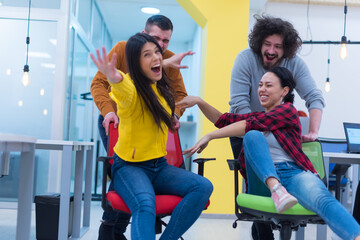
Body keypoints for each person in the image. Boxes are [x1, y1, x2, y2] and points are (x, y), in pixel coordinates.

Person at [177, 67, 360, 240]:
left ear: (284, 91)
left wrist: (210, 136)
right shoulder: (256, 118)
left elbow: (248, 125)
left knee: (322, 198)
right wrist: (199, 101)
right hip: (261, 180)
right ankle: (276, 188)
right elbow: (224, 120)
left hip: (293, 173)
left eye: (269, 85)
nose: (262, 89)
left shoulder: (288, 111)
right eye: (260, 85)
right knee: (253, 136)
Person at [90, 33, 213, 240]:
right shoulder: (131, 89)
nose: (156, 57)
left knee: (203, 186)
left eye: (157, 52)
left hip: (159, 166)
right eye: (147, 54)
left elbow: (160, 111)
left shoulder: (159, 90)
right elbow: (123, 89)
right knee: (145, 205)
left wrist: (170, 119)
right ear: (136, 64)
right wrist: (113, 76)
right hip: (129, 167)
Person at [228, 14, 325, 239]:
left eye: (278, 46)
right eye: (267, 44)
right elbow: (239, 105)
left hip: (279, 132)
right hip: (247, 131)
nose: (271, 50)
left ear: (286, 49)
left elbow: (314, 97)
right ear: (259, 43)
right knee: (259, 191)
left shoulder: (295, 64)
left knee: (283, 188)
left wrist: (313, 131)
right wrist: (261, 128)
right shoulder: (245, 59)